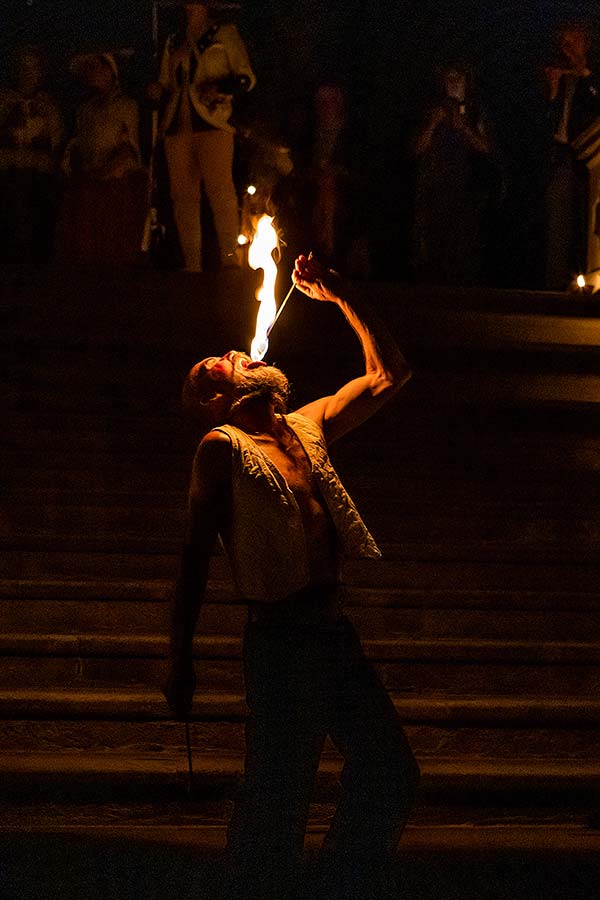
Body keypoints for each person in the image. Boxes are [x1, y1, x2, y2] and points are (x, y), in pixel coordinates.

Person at [166, 254, 420, 900]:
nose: (231, 350)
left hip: (331, 633)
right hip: (279, 642)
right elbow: (195, 553)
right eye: (213, 365)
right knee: (278, 797)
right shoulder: (221, 447)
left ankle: (338, 884)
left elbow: (392, 373)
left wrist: (339, 294)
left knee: (390, 770)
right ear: (213, 398)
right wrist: (181, 658)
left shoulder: (308, 427)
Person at [148, 1, 255, 271]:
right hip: (177, 124)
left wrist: (217, 86)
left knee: (220, 191)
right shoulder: (174, 41)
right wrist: (157, 91)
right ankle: (191, 264)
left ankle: (230, 259)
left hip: (212, 119)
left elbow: (245, 77)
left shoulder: (224, 34)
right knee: (182, 196)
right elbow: (166, 81)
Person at [55, 52, 147, 265]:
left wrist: (107, 169)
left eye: (98, 68)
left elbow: (130, 147)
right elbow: (79, 143)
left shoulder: (126, 106)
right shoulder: (85, 110)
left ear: (111, 72)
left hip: (116, 184)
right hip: (88, 186)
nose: (92, 73)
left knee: (113, 240)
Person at [412, 61, 495, 286]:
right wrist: (433, 123)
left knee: (463, 246)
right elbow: (417, 149)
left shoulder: (476, 110)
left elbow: (487, 148)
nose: (453, 84)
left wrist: (464, 129)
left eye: (458, 79)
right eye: (449, 79)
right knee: (434, 245)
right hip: (435, 186)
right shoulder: (433, 109)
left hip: (467, 189)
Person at [543, 21, 600, 288]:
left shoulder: (592, 76)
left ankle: (583, 281)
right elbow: (547, 120)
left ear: (585, 42)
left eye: (572, 41)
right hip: (562, 156)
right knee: (558, 220)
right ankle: (556, 284)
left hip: (589, 160)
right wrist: (553, 91)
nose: (567, 48)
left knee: (584, 221)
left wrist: (585, 74)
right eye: (563, 43)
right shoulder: (561, 76)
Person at [0, 45, 63, 263]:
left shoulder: (49, 105)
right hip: (8, 175)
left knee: (37, 231)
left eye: (33, 68)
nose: (28, 74)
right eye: (23, 68)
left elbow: (56, 141)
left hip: (38, 178)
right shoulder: (4, 101)